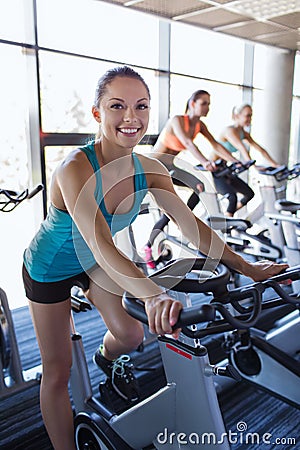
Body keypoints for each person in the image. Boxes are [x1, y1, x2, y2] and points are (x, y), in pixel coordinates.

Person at [22, 66, 288, 450]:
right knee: (58, 370)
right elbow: (98, 240)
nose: (131, 117)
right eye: (117, 106)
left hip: (95, 263)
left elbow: (190, 225)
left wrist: (246, 267)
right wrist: (149, 295)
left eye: (141, 107)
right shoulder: (75, 167)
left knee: (130, 335)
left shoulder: (148, 168)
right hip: (50, 267)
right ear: (98, 114)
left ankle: (106, 359)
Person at [144, 89, 241, 268]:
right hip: (153, 168)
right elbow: (188, 143)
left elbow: (216, 144)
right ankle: (148, 246)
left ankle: (184, 220)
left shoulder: (200, 126)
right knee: (176, 200)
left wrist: (235, 160)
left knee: (199, 186)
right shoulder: (177, 120)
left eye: (209, 104)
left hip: (170, 167)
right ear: (192, 103)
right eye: (204, 103)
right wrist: (204, 161)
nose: (207, 107)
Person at [216, 103, 279, 216]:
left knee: (249, 194)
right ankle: (226, 227)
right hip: (213, 169)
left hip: (225, 169)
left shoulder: (243, 133)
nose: (249, 118)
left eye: (251, 115)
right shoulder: (229, 131)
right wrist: (253, 167)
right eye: (247, 115)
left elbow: (260, 149)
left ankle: (227, 216)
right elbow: (241, 148)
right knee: (232, 197)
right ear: (237, 116)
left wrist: (276, 165)